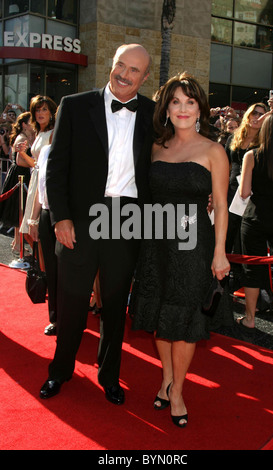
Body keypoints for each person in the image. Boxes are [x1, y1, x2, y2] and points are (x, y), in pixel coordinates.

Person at [40, 43, 155, 404]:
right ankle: (60, 372)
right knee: (72, 302)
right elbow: (56, 169)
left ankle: (110, 377)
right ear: (112, 63)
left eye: (134, 70)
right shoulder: (75, 105)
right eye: (120, 64)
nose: (124, 74)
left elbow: (174, 158)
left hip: (127, 220)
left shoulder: (153, 114)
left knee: (115, 305)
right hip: (80, 218)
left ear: (145, 76)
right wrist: (61, 217)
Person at [129, 72, 230, 427]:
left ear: (200, 108)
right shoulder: (157, 147)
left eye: (190, 102)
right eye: (175, 101)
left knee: (185, 319)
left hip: (193, 244)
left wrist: (220, 252)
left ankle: (177, 391)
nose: (183, 109)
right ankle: (166, 378)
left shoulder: (214, 151)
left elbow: (220, 205)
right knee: (160, 315)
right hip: (156, 242)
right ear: (166, 108)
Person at [237, 111, 273, 331]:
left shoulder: (252, 156)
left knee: (252, 269)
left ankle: (250, 318)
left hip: (256, 218)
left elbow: (244, 192)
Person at [225, 102, 268, 288]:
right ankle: (223, 277)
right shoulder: (234, 138)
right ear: (248, 115)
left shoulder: (266, 142)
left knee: (244, 239)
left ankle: (243, 279)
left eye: (262, 114)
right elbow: (225, 166)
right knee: (226, 234)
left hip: (251, 194)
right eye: (254, 113)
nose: (257, 117)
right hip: (231, 192)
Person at [28, 130, 58, 336]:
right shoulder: (46, 151)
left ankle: (75, 317)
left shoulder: (80, 149)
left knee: (71, 272)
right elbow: (41, 187)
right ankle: (56, 319)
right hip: (48, 214)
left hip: (73, 218)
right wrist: (33, 219)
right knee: (52, 269)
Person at [19, 96, 57, 258]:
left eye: (44, 109)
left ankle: (45, 273)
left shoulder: (52, 133)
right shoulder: (39, 132)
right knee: (28, 230)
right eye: (37, 109)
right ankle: (42, 271)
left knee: (37, 232)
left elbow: (47, 166)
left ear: (51, 112)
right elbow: (36, 163)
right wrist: (21, 152)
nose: (40, 113)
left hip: (43, 184)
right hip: (35, 180)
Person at [0, 112, 35, 253]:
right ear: (24, 125)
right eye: (30, 121)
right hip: (20, 175)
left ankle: (17, 243)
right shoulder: (21, 138)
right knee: (19, 210)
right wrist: (35, 164)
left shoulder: (27, 137)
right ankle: (18, 244)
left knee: (19, 211)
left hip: (21, 174)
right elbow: (20, 160)